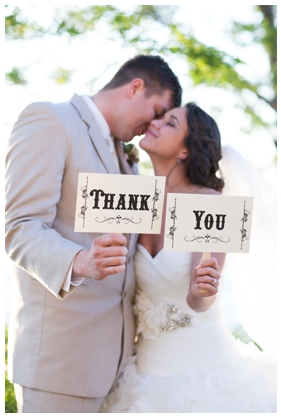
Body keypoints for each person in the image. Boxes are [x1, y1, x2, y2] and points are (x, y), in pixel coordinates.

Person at [5, 55, 181, 413]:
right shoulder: (51, 120)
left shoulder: (127, 157)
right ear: (136, 87)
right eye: (157, 110)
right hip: (60, 364)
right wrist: (81, 260)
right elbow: (18, 227)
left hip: (117, 369)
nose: (152, 126)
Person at [100, 104, 277, 412]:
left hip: (202, 375)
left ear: (185, 151)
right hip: (142, 374)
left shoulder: (210, 204)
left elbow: (201, 300)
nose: (154, 124)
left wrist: (200, 290)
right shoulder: (137, 200)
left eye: (169, 123)